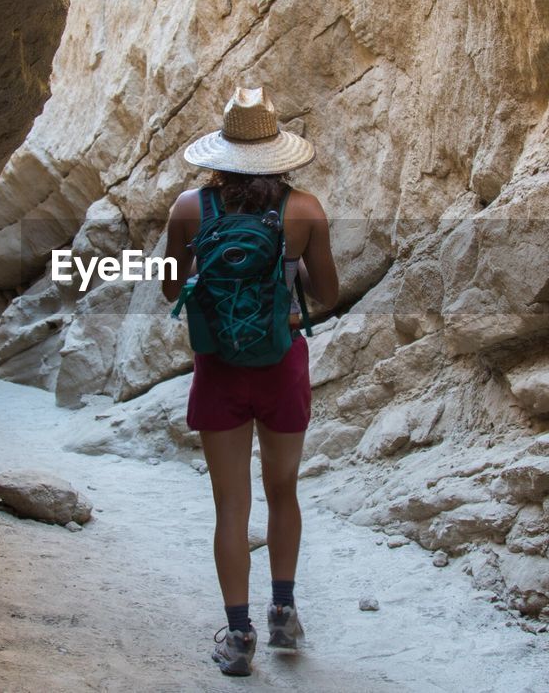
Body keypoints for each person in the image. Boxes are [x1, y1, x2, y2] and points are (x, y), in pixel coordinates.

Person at [162, 86, 340, 676]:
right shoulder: (306, 209)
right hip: (282, 364)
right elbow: (329, 294)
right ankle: (283, 613)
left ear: (220, 152)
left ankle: (238, 638)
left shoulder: (189, 208)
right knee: (283, 490)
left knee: (230, 506)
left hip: (218, 370)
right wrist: (281, 301)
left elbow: (169, 289)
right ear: (280, 154)